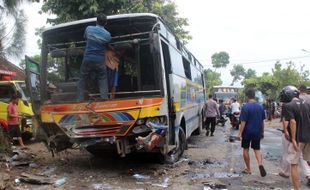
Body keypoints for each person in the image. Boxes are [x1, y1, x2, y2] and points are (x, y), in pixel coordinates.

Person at [280, 85, 310, 190]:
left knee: (294, 164)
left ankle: (296, 188)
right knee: (308, 161)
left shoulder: (288, 106)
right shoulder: (306, 104)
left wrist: (293, 139)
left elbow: (292, 122)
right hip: (308, 138)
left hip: (298, 139)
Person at [77, 13, 112, 101]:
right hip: (99, 61)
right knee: (102, 77)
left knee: (82, 78)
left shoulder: (88, 29)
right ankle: (104, 97)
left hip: (88, 59)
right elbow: (107, 45)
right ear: (105, 23)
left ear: (96, 21)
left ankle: (80, 99)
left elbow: (85, 38)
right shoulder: (108, 35)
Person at [237, 88, 266, 177]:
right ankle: (260, 164)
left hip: (247, 132)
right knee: (257, 149)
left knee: (246, 149)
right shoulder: (260, 106)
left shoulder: (245, 107)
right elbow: (262, 121)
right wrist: (262, 132)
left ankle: (248, 169)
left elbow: (243, 122)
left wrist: (239, 133)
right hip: (257, 131)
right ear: (254, 96)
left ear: (247, 96)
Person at [279, 113, 310, 186]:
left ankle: (286, 172)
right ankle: (308, 174)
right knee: (303, 157)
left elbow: (288, 121)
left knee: (291, 158)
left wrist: (286, 132)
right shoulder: (304, 105)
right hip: (303, 135)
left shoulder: (288, 106)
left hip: (292, 135)